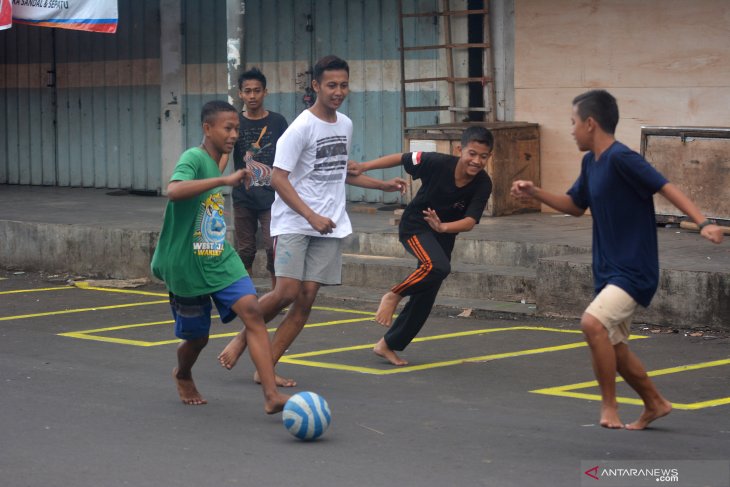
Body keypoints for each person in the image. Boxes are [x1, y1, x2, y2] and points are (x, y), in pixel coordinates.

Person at [510, 89, 724, 430]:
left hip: (634, 268)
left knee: (592, 324)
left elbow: (665, 186)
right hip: (608, 270)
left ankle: (609, 407)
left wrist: (703, 222)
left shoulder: (622, 158)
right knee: (615, 346)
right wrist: (534, 191)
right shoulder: (590, 163)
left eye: (573, 123)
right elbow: (574, 206)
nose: (571, 130)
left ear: (591, 124)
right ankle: (655, 403)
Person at [217, 55, 407, 385]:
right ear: (316, 86)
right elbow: (278, 178)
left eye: (344, 85)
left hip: (328, 224)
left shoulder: (345, 124)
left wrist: (383, 185)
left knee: (304, 302)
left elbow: (338, 172)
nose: (338, 91)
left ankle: (268, 369)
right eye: (331, 85)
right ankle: (242, 337)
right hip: (295, 221)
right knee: (285, 291)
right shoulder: (300, 128)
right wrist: (310, 215)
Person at [150, 100, 289, 413]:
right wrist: (223, 181)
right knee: (197, 339)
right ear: (206, 128)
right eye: (228, 128)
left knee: (252, 311)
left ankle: (270, 395)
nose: (234, 134)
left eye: (236, 128)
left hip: (214, 252)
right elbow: (174, 190)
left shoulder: (216, 160)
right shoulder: (194, 157)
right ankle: (182, 373)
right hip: (185, 262)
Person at [349, 126, 494, 366]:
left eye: (483, 156)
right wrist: (364, 167)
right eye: (472, 153)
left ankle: (387, 344)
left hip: (443, 234)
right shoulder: (436, 162)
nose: (476, 161)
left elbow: (469, 222)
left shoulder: (482, 184)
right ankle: (393, 295)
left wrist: (444, 228)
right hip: (416, 226)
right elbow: (401, 157)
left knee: (426, 294)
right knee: (438, 267)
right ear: (460, 150)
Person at [231, 67, 288, 289]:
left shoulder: (278, 122)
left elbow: (289, 154)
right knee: (245, 250)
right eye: (248, 91)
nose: (252, 96)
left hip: (272, 197)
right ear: (241, 94)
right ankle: (247, 296)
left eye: (257, 90)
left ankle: (277, 297)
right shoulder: (235, 122)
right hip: (243, 196)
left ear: (265, 92)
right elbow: (225, 153)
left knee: (274, 248)